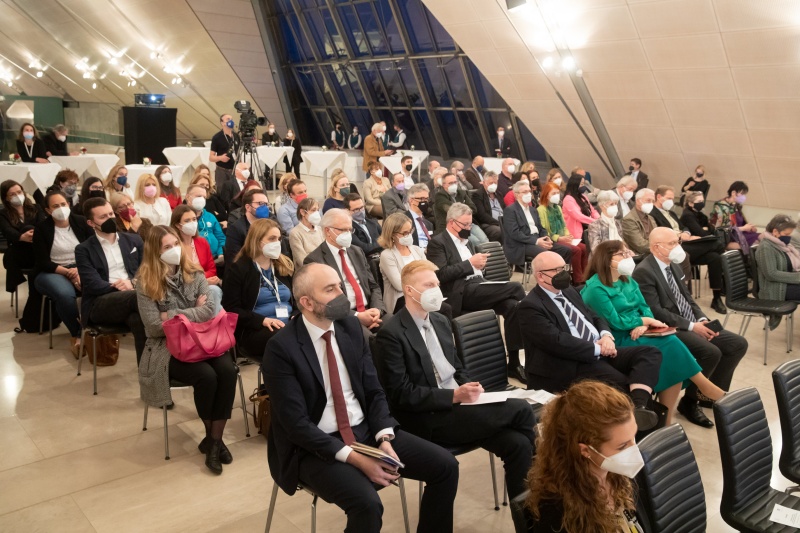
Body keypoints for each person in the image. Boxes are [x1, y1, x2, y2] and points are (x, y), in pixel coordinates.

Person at [263, 263, 459, 533]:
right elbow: (296, 425)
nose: (341, 294)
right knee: (367, 504)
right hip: (314, 446)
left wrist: (384, 437)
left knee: (446, 466)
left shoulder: (350, 328)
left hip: (364, 431)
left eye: (339, 286)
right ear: (306, 302)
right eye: (330, 290)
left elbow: (374, 391)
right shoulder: (281, 348)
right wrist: (357, 459)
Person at [375, 259, 535, 499]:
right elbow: (401, 394)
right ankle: (550, 483)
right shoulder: (391, 333)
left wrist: (468, 386)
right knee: (521, 409)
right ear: (409, 290)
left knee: (519, 444)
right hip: (429, 416)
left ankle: (529, 514)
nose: (436, 290)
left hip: (460, 406)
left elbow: (457, 367)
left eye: (437, 284)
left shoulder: (440, 320)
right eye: (429, 285)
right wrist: (453, 396)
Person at [581, 240, 727, 425]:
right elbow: (614, 321)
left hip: (638, 331)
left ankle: (667, 418)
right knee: (671, 344)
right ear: (607, 259)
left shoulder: (627, 279)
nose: (628, 257)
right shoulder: (595, 289)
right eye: (622, 254)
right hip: (616, 337)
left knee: (671, 353)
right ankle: (704, 387)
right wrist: (645, 321)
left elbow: (645, 308)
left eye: (628, 252)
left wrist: (644, 325)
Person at [517, 251, 661, 429]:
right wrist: (599, 349)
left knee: (650, 353)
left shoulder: (568, 291)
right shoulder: (530, 306)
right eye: (557, 270)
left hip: (597, 349)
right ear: (540, 276)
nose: (563, 273)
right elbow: (557, 342)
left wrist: (606, 336)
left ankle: (639, 408)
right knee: (621, 384)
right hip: (567, 363)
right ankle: (633, 428)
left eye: (564, 268)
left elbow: (594, 316)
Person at [136, 225, 236, 474]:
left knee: (228, 371)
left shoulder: (195, 273)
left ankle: (213, 441)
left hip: (203, 339)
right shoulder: (146, 283)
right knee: (206, 376)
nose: (174, 250)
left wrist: (170, 315)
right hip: (166, 347)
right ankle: (214, 441)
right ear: (155, 253)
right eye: (166, 247)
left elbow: (208, 311)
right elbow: (153, 327)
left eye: (175, 244)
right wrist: (192, 312)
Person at [633, 227, 748, 428]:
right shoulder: (644, 271)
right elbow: (655, 311)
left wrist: (701, 319)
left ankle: (708, 397)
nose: (678, 247)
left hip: (690, 321)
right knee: (710, 352)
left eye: (677, 242)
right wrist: (692, 326)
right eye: (672, 243)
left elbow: (687, 299)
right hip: (669, 327)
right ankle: (690, 402)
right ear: (657, 247)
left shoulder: (674, 265)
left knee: (737, 344)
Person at [526, 380, 648, 533]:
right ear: (585, 450)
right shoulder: (557, 509)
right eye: (622, 446)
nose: (634, 450)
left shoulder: (618, 476)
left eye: (634, 437)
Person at [428, 203, 527, 381]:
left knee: (512, 306)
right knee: (516, 287)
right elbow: (440, 274)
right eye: (465, 224)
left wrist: (480, 266)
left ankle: (513, 363)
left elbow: (477, 271)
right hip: (460, 292)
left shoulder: (467, 241)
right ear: (452, 222)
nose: (468, 228)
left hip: (479, 285)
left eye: (470, 224)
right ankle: (536, 323)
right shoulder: (438, 242)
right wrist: (470, 264)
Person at [75, 197, 146, 363]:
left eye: (111, 214)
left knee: (137, 320)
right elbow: (93, 284)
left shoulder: (134, 240)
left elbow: (146, 271)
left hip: (133, 297)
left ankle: (147, 370)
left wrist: (132, 283)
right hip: (100, 303)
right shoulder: (83, 249)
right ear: (91, 223)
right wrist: (122, 287)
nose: (110, 219)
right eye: (103, 217)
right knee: (140, 298)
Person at [222, 218, 294, 361]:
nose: (277, 243)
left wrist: (296, 314)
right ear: (257, 240)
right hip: (255, 329)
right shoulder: (239, 269)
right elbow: (231, 309)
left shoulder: (283, 266)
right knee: (287, 338)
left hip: (288, 323)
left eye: (279, 239)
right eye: (272, 239)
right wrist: (262, 320)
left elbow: (297, 298)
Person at [304, 209, 385, 335]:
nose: (347, 234)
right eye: (342, 230)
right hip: (344, 317)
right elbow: (324, 301)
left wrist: (377, 310)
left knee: (396, 330)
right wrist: (356, 316)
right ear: (327, 231)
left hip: (370, 310)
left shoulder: (357, 251)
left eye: (350, 230)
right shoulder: (315, 260)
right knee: (368, 338)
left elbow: (373, 285)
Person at [32, 191, 93, 355]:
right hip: (52, 271)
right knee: (65, 294)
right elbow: (43, 262)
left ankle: (94, 329)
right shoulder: (41, 229)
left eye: (63, 204)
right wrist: (68, 273)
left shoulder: (81, 222)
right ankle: (78, 334)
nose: (61, 208)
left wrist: (79, 270)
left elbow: (94, 250)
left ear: (69, 204)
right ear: (48, 210)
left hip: (81, 267)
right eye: (55, 206)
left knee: (99, 286)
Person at [651, 186, 727, 313]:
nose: (671, 201)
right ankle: (725, 280)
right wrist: (680, 235)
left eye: (672, 198)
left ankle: (717, 297)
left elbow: (684, 227)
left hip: (685, 243)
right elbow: (661, 233)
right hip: (674, 246)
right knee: (717, 243)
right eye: (669, 198)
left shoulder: (671, 213)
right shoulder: (653, 214)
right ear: (659, 197)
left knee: (715, 257)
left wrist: (686, 233)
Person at [502, 181, 573, 272]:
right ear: (516, 195)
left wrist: (546, 238)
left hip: (538, 239)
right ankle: (548, 278)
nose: (528, 194)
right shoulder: (510, 210)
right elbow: (515, 233)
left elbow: (541, 228)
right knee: (547, 254)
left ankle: (561, 276)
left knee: (566, 250)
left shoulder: (533, 210)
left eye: (529, 191)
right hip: (522, 245)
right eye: (525, 192)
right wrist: (536, 241)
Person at [171, 205, 223, 314]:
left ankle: (213, 322)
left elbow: (212, 269)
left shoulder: (202, 242)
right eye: (187, 220)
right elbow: (176, 278)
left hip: (204, 286)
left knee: (214, 291)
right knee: (213, 292)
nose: (192, 223)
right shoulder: (173, 247)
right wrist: (202, 281)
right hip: (182, 290)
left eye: (194, 219)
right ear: (178, 225)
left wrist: (202, 282)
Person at [0, 180, 45, 294]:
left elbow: (42, 226)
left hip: (36, 250)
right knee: (28, 229)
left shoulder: (36, 208)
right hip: (20, 254)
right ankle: (35, 294)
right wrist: (21, 237)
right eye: (12, 194)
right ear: (6, 198)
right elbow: (7, 231)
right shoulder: (2, 213)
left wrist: (31, 235)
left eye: (19, 192)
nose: (17, 196)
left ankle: (34, 296)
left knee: (29, 229)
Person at [378, 213, 427, 314]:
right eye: (405, 233)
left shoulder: (417, 250)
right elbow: (399, 285)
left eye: (410, 231)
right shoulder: (387, 255)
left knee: (445, 307)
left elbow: (429, 273)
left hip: (422, 294)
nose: (409, 235)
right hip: (400, 300)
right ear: (392, 234)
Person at [538, 182, 587, 284]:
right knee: (576, 250)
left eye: (557, 193)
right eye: (553, 193)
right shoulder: (541, 210)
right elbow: (544, 230)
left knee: (584, 248)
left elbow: (564, 226)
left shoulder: (558, 208)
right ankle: (578, 280)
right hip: (552, 240)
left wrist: (568, 235)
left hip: (563, 238)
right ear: (546, 195)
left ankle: (585, 276)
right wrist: (559, 238)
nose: (557, 195)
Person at [755, 215, 800, 317]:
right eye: (786, 234)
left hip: (785, 284)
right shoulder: (766, 247)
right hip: (775, 289)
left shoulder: (782, 245)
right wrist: (798, 277)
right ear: (775, 232)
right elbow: (771, 274)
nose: (789, 237)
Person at [433, 173, 488, 246]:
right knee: (475, 242)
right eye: (450, 183)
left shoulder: (462, 193)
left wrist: (461, 211)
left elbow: (473, 208)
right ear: (443, 185)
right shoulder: (439, 196)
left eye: (455, 182)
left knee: (485, 241)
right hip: (453, 226)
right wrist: (465, 208)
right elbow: (452, 211)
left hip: (469, 224)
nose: (453, 185)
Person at [225, 188, 270, 269]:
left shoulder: (271, 226)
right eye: (260, 203)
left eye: (266, 204)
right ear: (248, 207)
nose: (264, 207)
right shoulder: (235, 229)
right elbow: (235, 260)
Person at [711, 180, 759, 248]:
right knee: (752, 243)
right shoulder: (721, 206)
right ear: (733, 193)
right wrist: (744, 228)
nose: (744, 197)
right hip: (725, 238)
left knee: (759, 240)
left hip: (737, 234)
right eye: (742, 194)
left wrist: (750, 228)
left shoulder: (736, 206)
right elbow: (723, 229)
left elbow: (740, 223)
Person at [185, 184, 225, 260]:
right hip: (193, 259)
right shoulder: (182, 217)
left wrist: (221, 253)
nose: (202, 199)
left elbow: (220, 237)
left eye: (204, 197)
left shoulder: (210, 216)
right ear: (187, 197)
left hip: (215, 258)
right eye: (199, 196)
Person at [289, 197, 324, 269]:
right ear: (302, 212)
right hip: (308, 271)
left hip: (324, 268)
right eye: (313, 210)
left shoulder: (320, 229)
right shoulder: (295, 233)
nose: (317, 213)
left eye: (317, 210)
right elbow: (302, 260)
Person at [562, 174, 599, 242]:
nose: (583, 186)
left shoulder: (583, 196)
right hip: (578, 232)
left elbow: (593, 211)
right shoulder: (568, 199)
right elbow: (579, 216)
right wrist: (595, 222)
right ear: (575, 184)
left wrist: (599, 219)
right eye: (581, 184)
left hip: (589, 227)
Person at [472, 171, 504, 243]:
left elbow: (505, 209)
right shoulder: (477, 195)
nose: (493, 185)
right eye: (490, 183)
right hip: (488, 224)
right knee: (500, 231)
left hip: (502, 222)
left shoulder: (499, 194)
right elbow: (482, 216)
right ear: (484, 183)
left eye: (495, 183)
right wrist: (499, 223)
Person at [209, 113, 238, 187]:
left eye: (231, 119)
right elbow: (211, 157)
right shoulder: (217, 137)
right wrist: (220, 158)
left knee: (236, 192)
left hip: (235, 170)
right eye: (228, 119)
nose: (231, 121)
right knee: (221, 192)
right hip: (222, 171)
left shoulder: (236, 136)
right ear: (222, 123)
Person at [404, 183, 434, 250]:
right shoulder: (403, 220)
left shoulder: (429, 224)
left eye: (426, 199)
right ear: (411, 201)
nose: (425, 202)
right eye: (422, 199)